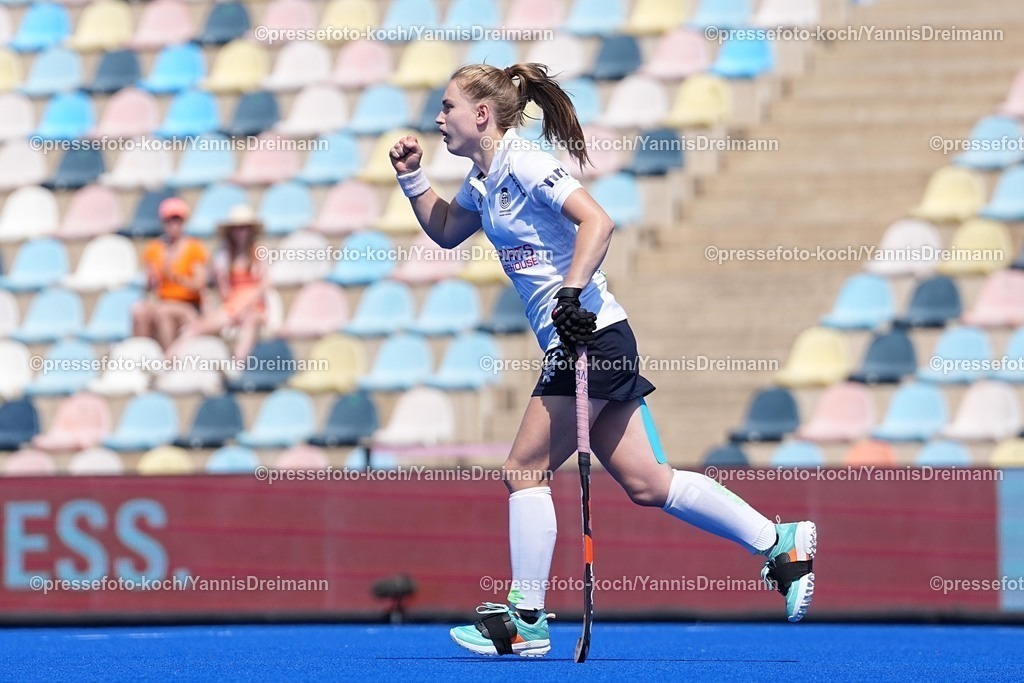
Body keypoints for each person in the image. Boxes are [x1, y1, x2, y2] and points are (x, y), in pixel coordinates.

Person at [389, 62, 818, 658]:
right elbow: (444, 229)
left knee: (523, 469)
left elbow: (598, 220)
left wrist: (570, 289)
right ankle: (780, 542)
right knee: (648, 483)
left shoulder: (527, 162)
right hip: (592, 340)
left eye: (448, 108)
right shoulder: (483, 179)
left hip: (589, 337)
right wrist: (412, 179)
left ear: (481, 115)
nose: (438, 119)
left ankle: (527, 619)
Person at [181, 204, 268, 360]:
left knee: (251, 320)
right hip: (232, 307)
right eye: (237, 228)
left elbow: (265, 284)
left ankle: (238, 362)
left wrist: (245, 305)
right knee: (194, 329)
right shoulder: (224, 255)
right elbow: (224, 291)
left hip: (254, 307)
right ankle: (171, 361)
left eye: (245, 228)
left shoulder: (259, 252)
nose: (241, 232)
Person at [133, 197, 208, 350]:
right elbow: (148, 287)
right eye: (169, 221)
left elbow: (198, 285)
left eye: (177, 220)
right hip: (163, 300)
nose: (173, 225)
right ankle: (143, 355)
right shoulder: (154, 248)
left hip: (187, 304)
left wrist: (174, 277)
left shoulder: (194, 248)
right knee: (139, 310)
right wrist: (151, 279)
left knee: (163, 312)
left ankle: (168, 359)